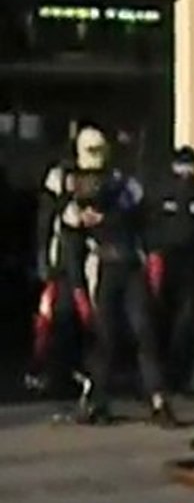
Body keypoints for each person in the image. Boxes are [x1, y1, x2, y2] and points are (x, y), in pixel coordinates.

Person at [58, 128, 175, 426]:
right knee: (105, 337)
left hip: (129, 263)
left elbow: (145, 220)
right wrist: (78, 288)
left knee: (144, 330)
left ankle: (158, 398)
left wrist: (153, 256)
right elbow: (71, 246)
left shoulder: (124, 184)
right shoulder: (72, 189)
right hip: (102, 267)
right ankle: (97, 400)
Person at [26, 127, 109, 395]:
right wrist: (44, 256)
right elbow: (47, 217)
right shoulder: (60, 176)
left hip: (92, 259)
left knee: (87, 318)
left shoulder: (107, 178)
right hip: (62, 260)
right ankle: (47, 372)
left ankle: (79, 372)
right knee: (54, 317)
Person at [145, 146, 194, 392]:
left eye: (190, 166)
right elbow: (144, 221)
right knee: (159, 319)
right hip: (164, 265)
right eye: (182, 167)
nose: (187, 173)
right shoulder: (161, 190)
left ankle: (181, 380)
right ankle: (157, 382)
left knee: (188, 321)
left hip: (193, 266)